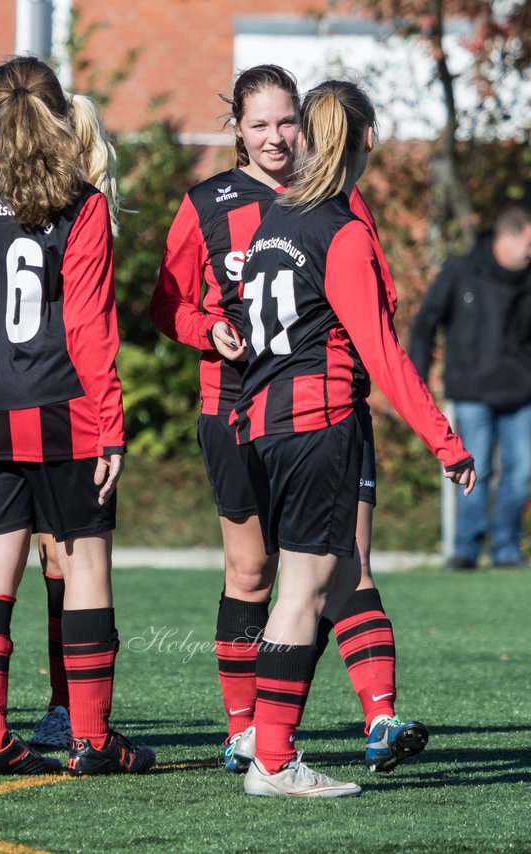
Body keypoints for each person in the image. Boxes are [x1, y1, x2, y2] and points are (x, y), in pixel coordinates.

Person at [150, 63, 432, 777]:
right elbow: (167, 305)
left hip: (323, 408)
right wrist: (206, 329)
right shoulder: (207, 203)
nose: (277, 138)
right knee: (252, 571)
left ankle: (379, 716)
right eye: (260, 125)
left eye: (288, 123)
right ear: (236, 131)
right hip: (233, 408)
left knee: (347, 562)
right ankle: (245, 731)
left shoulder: (336, 198)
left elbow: (380, 299)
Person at [233, 79, 474, 797]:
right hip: (318, 423)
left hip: (266, 422)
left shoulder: (276, 217)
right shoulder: (338, 227)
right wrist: (445, 440)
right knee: (304, 590)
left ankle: (277, 746)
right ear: (367, 138)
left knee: (320, 581)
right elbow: (381, 353)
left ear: (305, 137)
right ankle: (272, 760)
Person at [0, 56, 152, 777]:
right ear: (61, 115)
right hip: (61, 406)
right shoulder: (80, 203)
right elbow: (87, 325)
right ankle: (92, 738)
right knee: (85, 564)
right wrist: (110, 421)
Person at [409, 206, 531, 569]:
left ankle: (506, 548)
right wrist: (417, 380)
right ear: (506, 238)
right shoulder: (460, 272)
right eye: (528, 243)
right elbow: (425, 325)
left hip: (521, 391)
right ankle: (465, 548)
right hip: (472, 391)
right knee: (473, 469)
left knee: (522, 469)